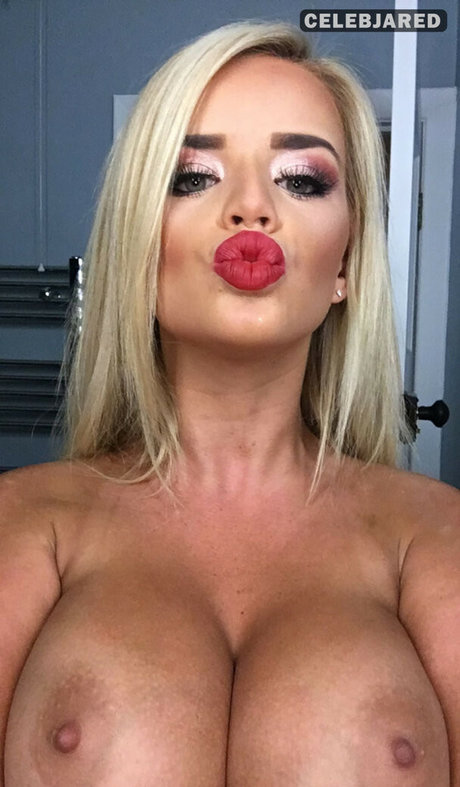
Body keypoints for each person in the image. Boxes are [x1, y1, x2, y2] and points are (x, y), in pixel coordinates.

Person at [1, 20, 459, 786]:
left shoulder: (439, 535)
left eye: (301, 179)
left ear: (345, 262)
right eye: (193, 177)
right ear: (140, 244)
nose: (251, 206)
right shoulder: (22, 524)